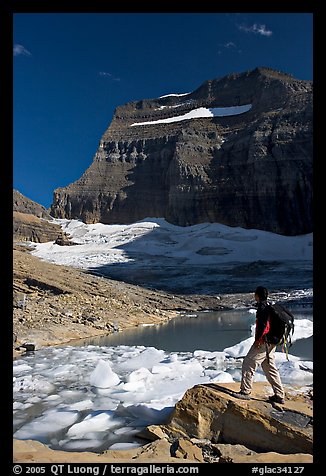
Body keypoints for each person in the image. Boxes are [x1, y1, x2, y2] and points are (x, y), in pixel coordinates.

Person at [233, 286, 285, 404]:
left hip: (264, 342)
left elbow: (263, 326)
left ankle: (245, 392)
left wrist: (258, 340)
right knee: (269, 367)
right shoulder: (269, 307)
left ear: (257, 295)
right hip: (272, 342)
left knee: (248, 363)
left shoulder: (262, 308)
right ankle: (279, 395)